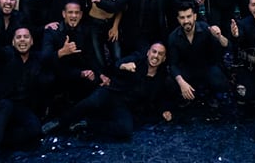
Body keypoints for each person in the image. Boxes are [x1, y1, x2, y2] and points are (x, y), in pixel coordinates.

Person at [42, 43, 173, 140]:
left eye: (160, 54)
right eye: (154, 52)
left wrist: (164, 110)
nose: (156, 56)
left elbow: (161, 96)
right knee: (90, 103)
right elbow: (117, 65)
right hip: (112, 92)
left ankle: (86, 124)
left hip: (125, 106)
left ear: (164, 58)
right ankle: (60, 122)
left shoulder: (161, 77)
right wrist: (124, 66)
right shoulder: (137, 59)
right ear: (148, 53)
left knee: (125, 130)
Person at [0, 26, 43, 162]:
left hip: (20, 107)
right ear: (13, 42)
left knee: (35, 130)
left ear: (32, 41)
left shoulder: (36, 59)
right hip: (0, 105)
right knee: (6, 105)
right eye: (18, 37)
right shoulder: (7, 54)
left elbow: (51, 58)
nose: (22, 40)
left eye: (26, 37)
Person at [41, 1, 108, 107]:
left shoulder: (85, 31)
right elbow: (44, 59)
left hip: (78, 72)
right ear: (64, 14)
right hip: (57, 73)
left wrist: (100, 74)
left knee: (97, 82)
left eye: (77, 13)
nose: (73, 16)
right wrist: (61, 52)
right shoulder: (53, 31)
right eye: (70, 12)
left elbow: (90, 57)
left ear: (81, 15)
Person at [68, 0, 126, 70]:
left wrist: (115, 26)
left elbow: (120, 9)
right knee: (99, 61)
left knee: (118, 56)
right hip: (95, 24)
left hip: (110, 24)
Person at [168, 1, 229, 109]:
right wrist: (181, 83)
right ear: (178, 19)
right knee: (170, 82)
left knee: (220, 82)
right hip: (187, 68)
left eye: (189, 16)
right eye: (182, 18)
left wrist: (219, 37)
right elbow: (173, 64)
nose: (186, 21)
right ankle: (186, 95)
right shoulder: (173, 37)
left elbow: (226, 46)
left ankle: (211, 94)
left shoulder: (206, 29)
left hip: (206, 66)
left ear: (195, 16)